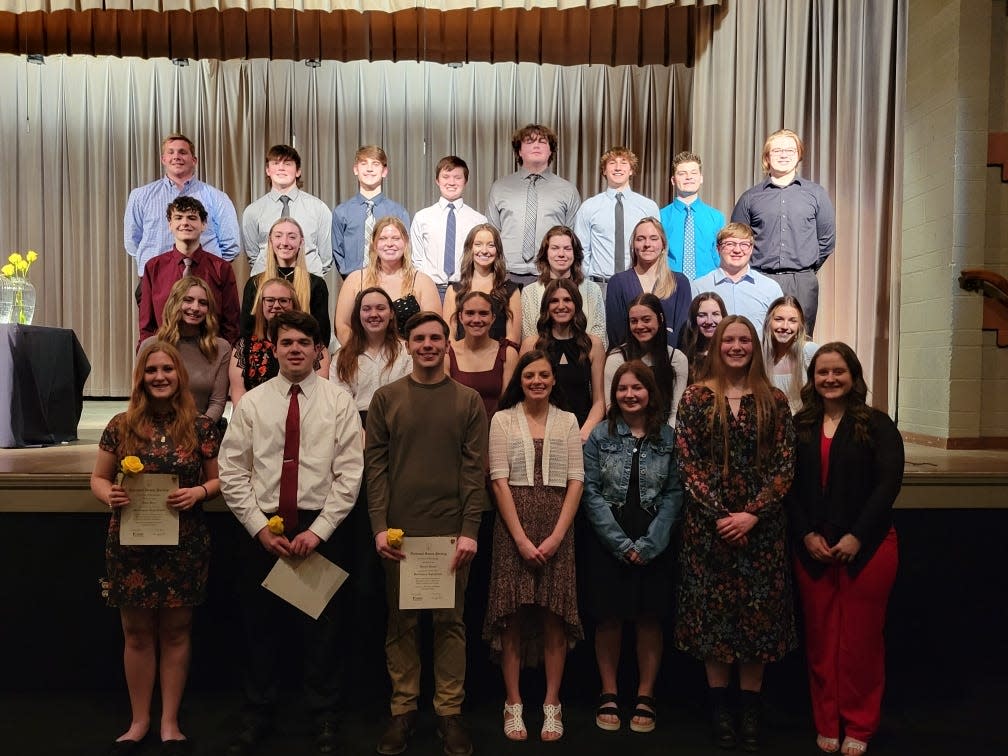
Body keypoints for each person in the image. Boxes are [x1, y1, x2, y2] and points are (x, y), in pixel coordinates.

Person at [218, 311, 363, 756]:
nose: (295, 349)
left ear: (320, 349)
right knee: (259, 629)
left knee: (323, 632)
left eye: (304, 341)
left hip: (320, 526)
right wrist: (258, 528)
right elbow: (232, 471)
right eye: (287, 342)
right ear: (274, 349)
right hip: (265, 530)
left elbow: (349, 474)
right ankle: (259, 713)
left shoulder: (339, 402)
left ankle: (324, 716)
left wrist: (318, 532)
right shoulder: (254, 404)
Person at [366, 312, 489, 756]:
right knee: (401, 624)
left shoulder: (468, 400)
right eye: (420, 339)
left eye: (436, 338)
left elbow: (475, 469)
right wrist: (379, 527)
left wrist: (471, 529)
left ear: (446, 341)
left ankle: (448, 713)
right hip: (400, 535)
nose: (429, 345)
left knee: (450, 624)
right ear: (408, 343)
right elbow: (375, 470)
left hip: (451, 534)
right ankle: (403, 711)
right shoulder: (386, 398)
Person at [90, 341, 221, 753]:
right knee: (137, 633)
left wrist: (199, 491)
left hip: (185, 544)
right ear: (141, 377)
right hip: (131, 545)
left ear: (179, 375)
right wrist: (108, 494)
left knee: (178, 631)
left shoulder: (200, 426)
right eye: (152, 371)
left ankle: (169, 722)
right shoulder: (120, 423)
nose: (160, 376)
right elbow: (98, 478)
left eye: (167, 369)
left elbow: (219, 480)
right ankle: (139, 720)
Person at [674, 315, 796, 752]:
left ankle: (750, 711)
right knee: (714, 621)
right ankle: (719, 709)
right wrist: (724, 515)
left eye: (745, 339)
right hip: (709, 529)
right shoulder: (694, 399)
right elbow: (687, 463)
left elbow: (785, 467)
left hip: (761, 532)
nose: (737, 346)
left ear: (754, 346)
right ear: (717, 345)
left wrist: (752, 515)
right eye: (730, 339)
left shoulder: (775, 401)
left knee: (757, 622)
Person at [785, 343, 904, 756]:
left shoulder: (877, 424)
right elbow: (789, 489)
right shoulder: (800, 424)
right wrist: (805, 535)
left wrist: (857, 535)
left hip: (867, 548)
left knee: (860, 642)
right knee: (821, 640)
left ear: (853, 376)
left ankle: (859, 722)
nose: (830, 379)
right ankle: (827, 720)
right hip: (813, 549)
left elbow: (887, 485)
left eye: (838, 372)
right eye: (822, 373)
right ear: (812, 379)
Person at [484, 350, 584, 742]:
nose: (537, 381)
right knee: (512, 616)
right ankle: (513, 704)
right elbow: (498, 481)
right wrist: (521, 539)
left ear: (554, 380)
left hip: (558, 525)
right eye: (530, 376)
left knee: (553, 616)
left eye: (544, 375)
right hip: (514, 528)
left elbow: (576, 479)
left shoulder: (569, 420)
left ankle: (552, 704)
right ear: (520, 381)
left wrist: (557, 535)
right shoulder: (502, 419)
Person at [582, 360, 683, 735]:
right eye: (622, 389)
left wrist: (651, 542)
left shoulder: (668, 438)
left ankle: (645, 694)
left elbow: (675, 493)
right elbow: (589, 492)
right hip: (609, 539)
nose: (629, 395)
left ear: (650, 393)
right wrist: (621, 543)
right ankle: (609, 691)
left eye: (636, 388)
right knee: (608, 617)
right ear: (614, 394)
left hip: (656, 539)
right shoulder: (599, 436)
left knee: (649, 618)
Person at [731, 129, 836, 334]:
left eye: (790, 150)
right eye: (777, 150)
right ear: (767, 157)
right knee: (757, 339)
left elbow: (827, 240)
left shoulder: (816, 194)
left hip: (802, 282)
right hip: (760, 278)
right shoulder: (750, 197)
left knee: (800, 343)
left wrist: (805, 269)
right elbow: (737, 240)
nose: (784, 154)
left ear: (799, 155)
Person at [124, 133, 240, 283]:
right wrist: (155, 266)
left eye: (183, 152)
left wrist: (209, 269)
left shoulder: (217, 198)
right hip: (156, 280)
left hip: (205, 280)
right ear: (163, 159)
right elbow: (132, 242)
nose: (176, 156)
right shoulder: (140, 196)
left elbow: (231, 245)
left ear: (194, 160)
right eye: (170, 152)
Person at [137, 196, 241, 345]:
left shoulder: (221, 268)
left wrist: (225, 358)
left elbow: (232, 324)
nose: (185, 223)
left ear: (203, 224)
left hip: (210, 354)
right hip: (165, 352)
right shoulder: (153, 267)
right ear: (170, 225)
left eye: (192, 218)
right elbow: (146, 325)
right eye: (178, 218)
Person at [486, 124, 581, 284]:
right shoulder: (500, 187)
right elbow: (492, 233)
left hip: (551, 276)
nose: (536, 145)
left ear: (551, 150)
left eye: (542, 142)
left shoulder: (568, 190)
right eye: (529, 142)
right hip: (506, 274)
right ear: (519, 151)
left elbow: (572, 237)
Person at [520, 278, 605, 442]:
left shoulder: (594, 345)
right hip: (540, 434)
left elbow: (599, 401)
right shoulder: (531, 345)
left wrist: (584, 432)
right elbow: (520, 397)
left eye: (567, 300)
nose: (561, 306)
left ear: (576, 304)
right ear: (546, 306)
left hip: (581, 434)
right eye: (554, 301)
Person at [333, 217, 440, 345]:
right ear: (374, 244)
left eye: (396, 238)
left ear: (405, 243)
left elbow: (434, 327)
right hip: (361, 357)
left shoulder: (423, 281)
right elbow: (342, 326)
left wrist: (403, 356)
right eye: (383, 238)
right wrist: (363, 354)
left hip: (410, 358)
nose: (389, 243)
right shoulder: (355, 280)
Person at [139, 276, 230, 422]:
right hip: (156, 429)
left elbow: (217, 403)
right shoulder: (149, 346)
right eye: (188, 300)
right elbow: (140, 397)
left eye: (202, 303)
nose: (195, 308)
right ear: (175, 303)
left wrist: (200, 431)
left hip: (203, 430)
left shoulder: (221, 348)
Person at [229, 278, 329, 406]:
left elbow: (319, 392)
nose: (276, 306)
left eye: (283, 301)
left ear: (293, 304)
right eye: (270, 300)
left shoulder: (314, 345)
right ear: (261, 304)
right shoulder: (243, 346)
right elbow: (238, 393)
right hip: (255, 419)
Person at [574, 147, 660, 291]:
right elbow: (581, 249)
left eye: (624, 163)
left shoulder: (648, 207)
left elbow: (656, 247)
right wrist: (588, 281)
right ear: (604, 170)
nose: (618, 168)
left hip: (638, 284)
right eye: (612, 163)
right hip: (599, 286)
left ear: (631, 170)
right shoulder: (589, 207)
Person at [242, 144, 333, 275]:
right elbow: (253, 256)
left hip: (308, 282)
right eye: (276, 163)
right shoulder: (252, 211)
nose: (281, 168)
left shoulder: (319, 208)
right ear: (268, 170)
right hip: (267, 284)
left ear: (298, 171)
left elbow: (326, 258)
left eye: (287, 163)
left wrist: (309, 280)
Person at [239, 217, 332, 346]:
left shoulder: (316, 284)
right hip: (261, 359)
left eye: (292, 237)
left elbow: (322, 336)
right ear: (270, 241)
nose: (285, 242)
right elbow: (246, 331)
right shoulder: (255, 284)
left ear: (301, 242)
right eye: (278, 236)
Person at [410, 155, 488, 300]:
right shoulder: (422, 217)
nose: (451, 182)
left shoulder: (479, 220)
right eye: (446, 177)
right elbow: (417, 260)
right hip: (431, 290)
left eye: (457, 177)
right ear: (437, 181)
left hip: (466, 290)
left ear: (465, 181)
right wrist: (425, 287)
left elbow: (482, 259)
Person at [604, 294, 688, 427]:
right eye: (634, 321)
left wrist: (667, 440)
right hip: (624, 434)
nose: (640, 326)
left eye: (646, 319)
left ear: (660, 319)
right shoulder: (616, 358)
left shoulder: (677, 359)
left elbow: (675, 411)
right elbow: (612, 408)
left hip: (664, 434)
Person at [605, 217, 691, 348]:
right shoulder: (617, 283)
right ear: (633, 245)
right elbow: (616, 334)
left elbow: (682, 334)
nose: (647, 244)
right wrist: (665, 331)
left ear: (663, 244)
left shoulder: (680, 282)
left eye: (653, 238)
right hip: (629, 362)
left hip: (669, 362)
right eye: (640, 239)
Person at [331, 287, 412, 421]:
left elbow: (410, 398)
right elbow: (341, 405)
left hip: (398, 424)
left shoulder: (407, 353)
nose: (373, 314)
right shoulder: (341, 357)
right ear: (358, 314)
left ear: (391, 313)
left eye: (380, 308)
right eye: (366, 309)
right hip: (354, 426)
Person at [690, 222, 783, 339]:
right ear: (718, 248)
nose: (737, 250)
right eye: (730, 244)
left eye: (744, 244)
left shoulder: (770, 288)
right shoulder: (699, 287)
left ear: (751, 249)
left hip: (757, 356)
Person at [331, 145, 411, 277]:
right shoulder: (341, 212)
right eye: (364, 163)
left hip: (390, 280)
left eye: (375, 164)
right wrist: (350, 276)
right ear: (356, 169)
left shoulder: (398, 212)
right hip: (354, 282)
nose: (369, 169)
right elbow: (337, 251)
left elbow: (405, 249)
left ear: (384, 171)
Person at [520, 226, 606, 346]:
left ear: (575, 253)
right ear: (546, 253)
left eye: (567, 248)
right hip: (541, 358)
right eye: (555, 248)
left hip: (584, 359)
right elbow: (528, 337)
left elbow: (599, 336)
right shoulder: (529, 292)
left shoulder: (592, 290)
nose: (561, 254)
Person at [443, 223, 522, 348]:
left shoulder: (511, 291)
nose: (484, 251)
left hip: (499, 361)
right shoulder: (454, 290)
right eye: (478, 244)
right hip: (461, 361)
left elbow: (513, 339)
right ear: (470, 249)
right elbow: (449, 337)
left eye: (491, 245)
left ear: (498, 250)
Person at [446, 291, 518, 419]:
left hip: (497, 431)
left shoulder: (508, 352)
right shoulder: (447, 354)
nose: (477, 320)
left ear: (493, 318)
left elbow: (508, 405)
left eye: (483, 313)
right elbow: (445, 402)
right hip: (459, 431)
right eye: (470, 313)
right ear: (460, 317)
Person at [659, 151, 724, 279]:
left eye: (693, 173)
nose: (688, 177)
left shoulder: (717, 217)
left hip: (708, 288)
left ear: (701, 178)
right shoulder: (660, 217)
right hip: (670, 285)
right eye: (682, 174)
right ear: (673, 180)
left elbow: (721, 256)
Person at [762, 296, 818, 413]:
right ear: (769, 322)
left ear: (800, 326)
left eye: (793, 321)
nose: (785, 327)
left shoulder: (808, 351)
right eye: (779, 319)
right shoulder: (761, 356)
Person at [679, 292, 728, 384]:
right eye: (702, 315)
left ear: (723, 317)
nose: (709, 321)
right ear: (694, 319)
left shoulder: (731, 353)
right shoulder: (684, 357)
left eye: (715, 314)